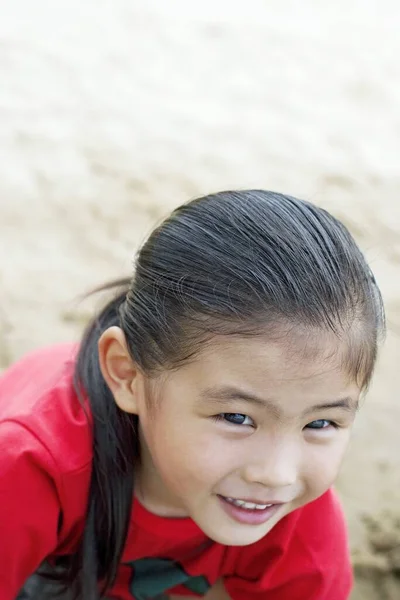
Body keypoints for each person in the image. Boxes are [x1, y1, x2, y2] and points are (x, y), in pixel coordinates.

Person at [0, 190, 385, 600]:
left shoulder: (296, 513)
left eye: (319, 423)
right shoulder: (30, 464)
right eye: (237, 418)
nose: (276, 474)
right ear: (128, 375)